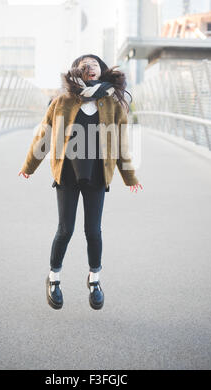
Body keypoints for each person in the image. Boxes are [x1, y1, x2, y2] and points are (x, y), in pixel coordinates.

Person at [18, 54, 143, 310]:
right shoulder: (62, 101)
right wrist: (30, 166)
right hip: (67, 175)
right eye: (85, 65)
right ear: (77, 71)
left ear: (102, 71)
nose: (90, 68)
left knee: (93, 231)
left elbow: (121, 144)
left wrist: (129, 176)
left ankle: (94, 279)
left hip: (97, 175)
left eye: (95, 65)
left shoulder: (113, 104)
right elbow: (44, 134)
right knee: (65, 229)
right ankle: (53, 279)